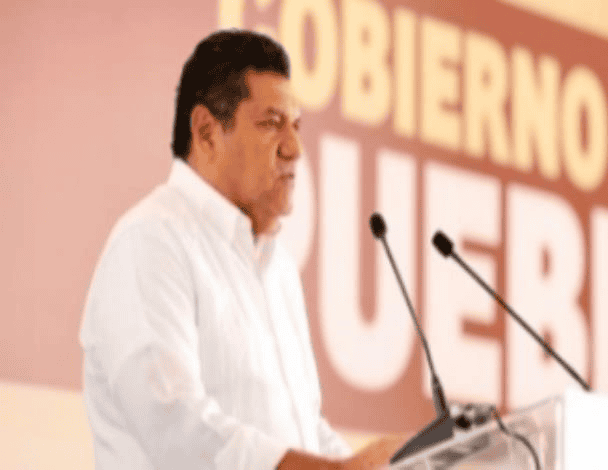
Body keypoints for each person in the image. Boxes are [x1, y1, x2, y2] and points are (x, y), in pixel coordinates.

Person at [79, 30, 406, 469]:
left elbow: (303, 430)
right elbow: (175, 427)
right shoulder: (150, 241)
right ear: (207, 132)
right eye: (271, 123)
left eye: (296, 126)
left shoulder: (278, 268)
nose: (294, 148)